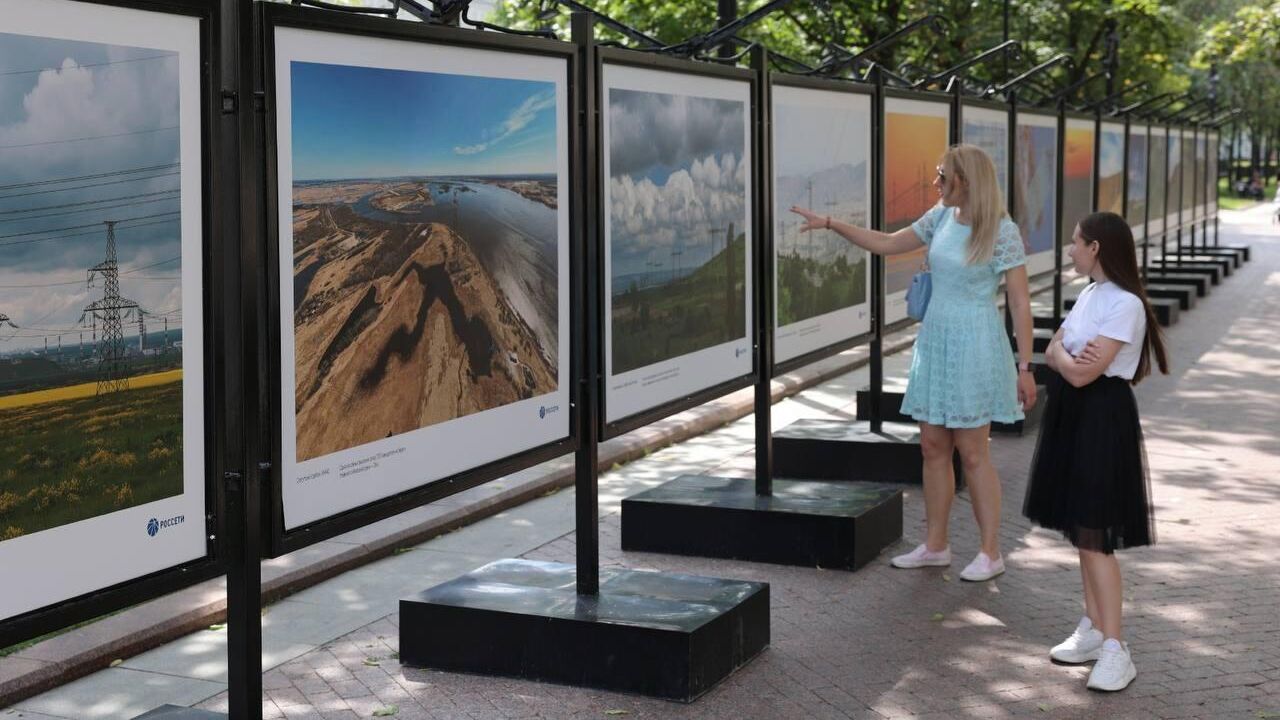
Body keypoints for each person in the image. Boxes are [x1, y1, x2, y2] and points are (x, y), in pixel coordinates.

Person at [791, 144, 1037, 582]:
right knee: (932, 448)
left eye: (943, 176)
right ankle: (936, 545)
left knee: (974, 453)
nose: (935, 182)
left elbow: (1019, 301)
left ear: (966, 180)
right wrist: (830, 224)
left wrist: (1025, 366)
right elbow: (887, 243)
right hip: (937, 341)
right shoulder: (940, 217)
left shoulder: (1001, 230)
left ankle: (990, 552)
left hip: (976, 344)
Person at [1023, 211, 1168, 692]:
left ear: (1096, 248)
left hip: (1101, 418)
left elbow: (1083, 370)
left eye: (1075, 243)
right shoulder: (1090, 295)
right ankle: (1093, 627)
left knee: (1097, 535)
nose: (1069, 249)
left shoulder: (1123, 304)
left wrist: (1067, 357)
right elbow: (1055, 353)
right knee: (1083, 532)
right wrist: (1067, 357)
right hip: (1077, 415)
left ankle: (1115, 647)